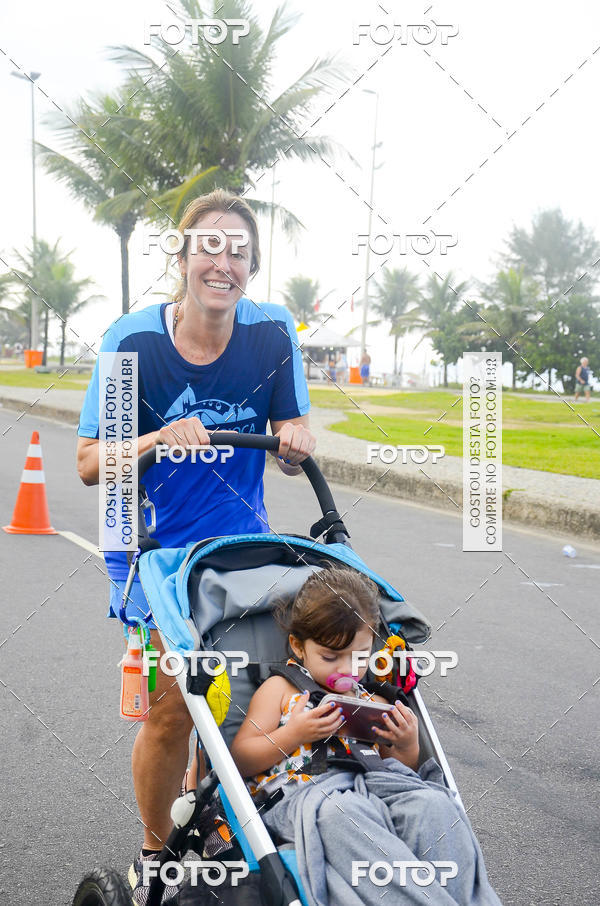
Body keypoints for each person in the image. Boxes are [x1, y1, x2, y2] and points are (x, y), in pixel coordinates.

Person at [76, 189, 316, 904]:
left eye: (238, 251)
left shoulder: (272, 335)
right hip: (150, 549)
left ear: (251, 268)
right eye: (208, 247)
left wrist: (298, 445)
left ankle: (199, 815)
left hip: (240, 548)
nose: (223, 262)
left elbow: (290, 436)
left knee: (240, 696)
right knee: (178, 707)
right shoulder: (134, 343)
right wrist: (155, 438)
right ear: (181, 260)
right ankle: (157, 855)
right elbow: (91, 463)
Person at [231, 567, 502, 906]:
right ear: (298, 647)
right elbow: (240, 758)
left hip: (370, 791)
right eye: (330, 657)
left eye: (359, 657)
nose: (346, 669)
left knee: (432, 804)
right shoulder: (281, 690)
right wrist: (293, 734)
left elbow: (396, 773)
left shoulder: (371, 700)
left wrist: (406, 744)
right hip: (304, 798)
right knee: (341, 811)